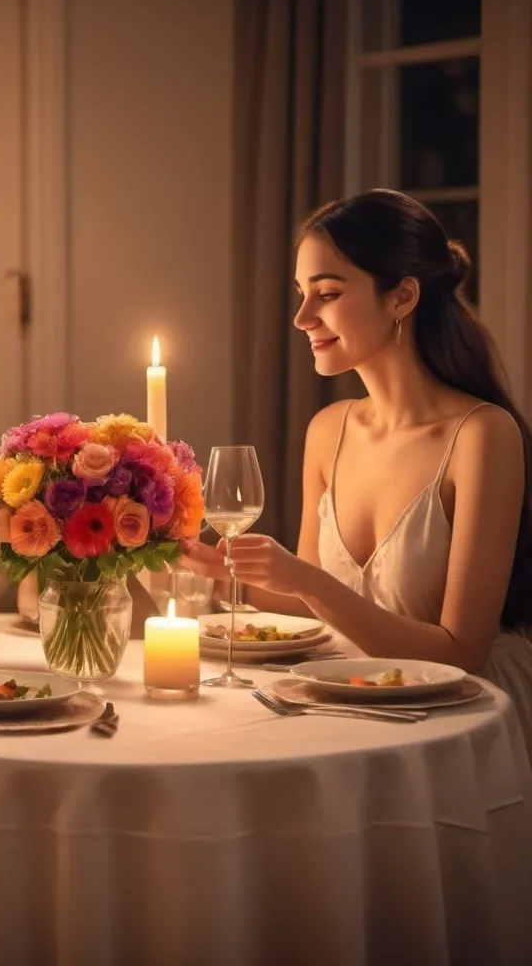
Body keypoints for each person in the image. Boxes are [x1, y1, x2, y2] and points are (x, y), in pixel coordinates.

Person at [184, 189, 532, 752]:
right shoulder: (330, 429)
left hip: (463, 721)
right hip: (355, 700)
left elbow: (459, 654)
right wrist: (224, 573)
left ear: (402, 297)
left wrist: (303, 578)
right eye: (301, 294)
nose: (301, 318)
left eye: (326, 293)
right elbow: (316, 603)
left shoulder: (481, 435)